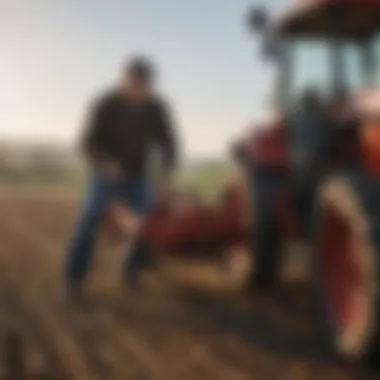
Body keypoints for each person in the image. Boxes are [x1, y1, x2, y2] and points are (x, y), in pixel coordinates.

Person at [66, 56, 179, 295]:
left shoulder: (156, 108)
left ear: (150, 85)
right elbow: (87, 143)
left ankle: (131, 273)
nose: (140, 91)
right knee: (90, 219)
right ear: (124, 81)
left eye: (145, 86)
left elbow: (169, 143)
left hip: (138, 174)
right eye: (135, 85)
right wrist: (103, 162)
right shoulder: (105, 104)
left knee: (145, 223)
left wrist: (166, 175)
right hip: (105, 175)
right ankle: (74, 280)